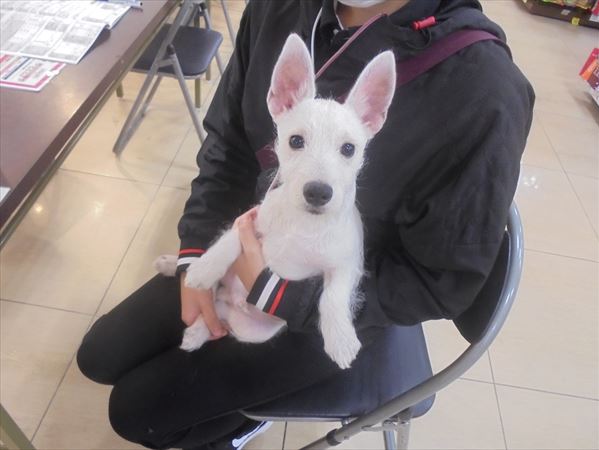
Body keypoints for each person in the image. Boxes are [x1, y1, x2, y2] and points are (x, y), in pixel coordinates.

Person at [77, 0, 534, 449]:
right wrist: (197, 253)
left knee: (133, 413)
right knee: (98, 356)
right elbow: (229, 143)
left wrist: (280, 295)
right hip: (255, 242)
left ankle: (238, 427)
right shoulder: (278, 9)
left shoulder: (483, 90)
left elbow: (439, 282)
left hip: (344, 302)